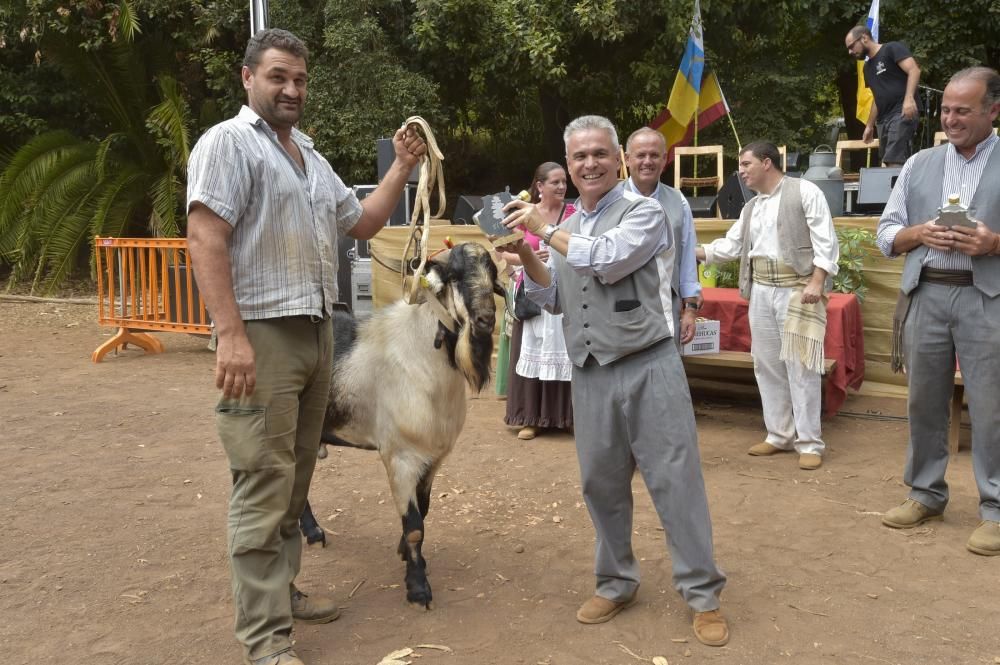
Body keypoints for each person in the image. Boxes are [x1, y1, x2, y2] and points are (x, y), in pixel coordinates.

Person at [186, 28, 425, 665]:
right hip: (262, 336)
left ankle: (281, 594)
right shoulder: (228, 144)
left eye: (299, 80)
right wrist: (230, 335)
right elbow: (205, 237)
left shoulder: (310, 157)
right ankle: (265, 642)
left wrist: (402, 166)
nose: (291, 89)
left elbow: (365, 221)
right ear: (247, 78)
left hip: (320, 334)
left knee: (294, 479)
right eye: (278, 77)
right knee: (263, 481)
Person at [501, 115, 729, 646]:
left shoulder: (645, 212)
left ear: (618, 160)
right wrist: (528, 258)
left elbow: (605, 260)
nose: (590, 164)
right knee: (600, 484)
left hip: (650, 365)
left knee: (675, 481)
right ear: (569, 165)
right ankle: (615, 581)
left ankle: (702, 594)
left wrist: (543, 230)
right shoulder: (569, 225)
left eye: (600, 153)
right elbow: (555, 298)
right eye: (579, 157)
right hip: (591, 371)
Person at [876, 66, 1000, 556]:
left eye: (962, 110)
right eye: (946, 109)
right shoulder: (919, 164)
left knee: (991, 405)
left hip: (985, 296)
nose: (950, 118)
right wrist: (919, 233)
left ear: (993, 110)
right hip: (926, 293)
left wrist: (993, 243)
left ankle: (994, 508)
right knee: (923, 401)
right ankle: (926, 492)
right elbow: (887, 234)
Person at [696, 142, 839, 471]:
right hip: (760, 290)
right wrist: (692, 251)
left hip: (797, 289)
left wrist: (817, 281)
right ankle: (779, 435)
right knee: (766, 364)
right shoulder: (752, 208)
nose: (741, 171)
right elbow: (730, 246)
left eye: (746, 164)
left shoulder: (805, 192)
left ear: (767, 162)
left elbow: (825, 241)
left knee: (801, 364)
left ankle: (810, 442)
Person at [500, 162, 575, 440]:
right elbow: (502, 253)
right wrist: (526, 258)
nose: (561, 187)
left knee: (565, 353)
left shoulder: (574, 213)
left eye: (564, 182)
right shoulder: (523, 213)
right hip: (533, 291)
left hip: (563, 291)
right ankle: (531, 417)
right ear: (539, 186)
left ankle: (565, 416)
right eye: (555, 182)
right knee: (533, 350)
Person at [624, 127, 701, 345]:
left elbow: (687, 259)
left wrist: (690, 311)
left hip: (667, 307)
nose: (647, 161)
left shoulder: (679, 201)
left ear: (665, 159)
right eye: (641, 155)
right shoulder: (611, 200)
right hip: (620, 309)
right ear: (628, 159)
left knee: (665, 374)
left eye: (654, 155)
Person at [845, 25, 922, 166]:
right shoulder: (867, 68)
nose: (850, 52)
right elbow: (877, 97)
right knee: (888, 160)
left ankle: (895, 188)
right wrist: (869, 126)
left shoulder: (891, 48)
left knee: (894, 158)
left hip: (901, 111)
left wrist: (909, 98)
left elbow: (914, 70)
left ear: (864, 38)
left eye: (851, 46)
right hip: (883, 119)